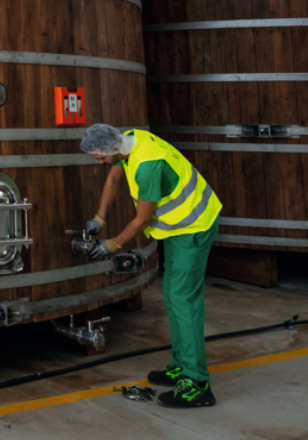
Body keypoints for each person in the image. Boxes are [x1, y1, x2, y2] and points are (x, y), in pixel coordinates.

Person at [79, 123, 222, 408]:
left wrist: (112, 245)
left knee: (184, 300)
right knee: (173, 295)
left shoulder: (148, 167)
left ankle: (197, 383)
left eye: (100, 157)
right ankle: (181, 364)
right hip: (177, 227)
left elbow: (141, 220)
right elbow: (113, 180)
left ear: (114, 148)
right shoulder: (130, 140)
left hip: (193, 225)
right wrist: (100, 218)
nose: (100, 162)